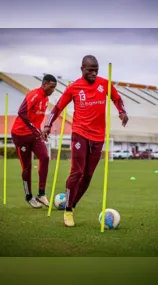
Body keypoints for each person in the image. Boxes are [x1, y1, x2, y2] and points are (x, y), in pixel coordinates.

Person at [42, 55, 128, 227]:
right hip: (80, 133)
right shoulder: (74, 87)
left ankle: (72, 205)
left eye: (96, 69)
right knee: (77, 172)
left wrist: (122, 111)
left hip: (98, 137)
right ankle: (67, 210)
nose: (94, 73)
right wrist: (47, 124)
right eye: (90, 70)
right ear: (82, 69)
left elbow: (117, 99)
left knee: (88, 176)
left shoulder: (104, 84)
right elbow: (58, 107)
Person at [11, 74, 57, 208]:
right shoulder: (34, 95)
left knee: (45, 157)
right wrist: (35, 129)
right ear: (44, 84)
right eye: (51, 87)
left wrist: (41, 131)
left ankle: (41, 194)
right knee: (27, 167)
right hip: (20, 134)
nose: (53, 90)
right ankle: (29, 196)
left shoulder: (46, 98)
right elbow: (21, 112)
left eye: (54, 87)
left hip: (34, 134)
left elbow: (37, 118)